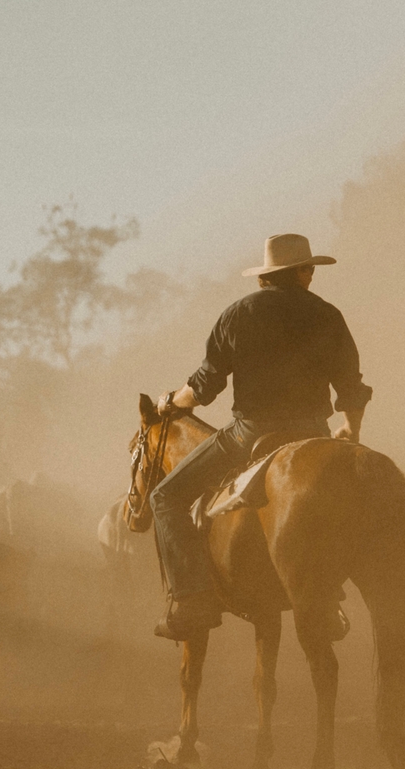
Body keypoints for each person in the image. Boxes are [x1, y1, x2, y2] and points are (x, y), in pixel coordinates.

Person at [150, 233, 372, 640]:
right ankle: (329, 596)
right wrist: (351, 432)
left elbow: (203, 386)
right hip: (312, 432)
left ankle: (193, 600)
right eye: (310, 270)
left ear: (264, 278)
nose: (311, 277)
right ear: (303, 272)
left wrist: (171, 403)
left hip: (251, 432)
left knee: (165, 497)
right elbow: (350, 386)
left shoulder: (238, 314)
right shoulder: (327, 315)